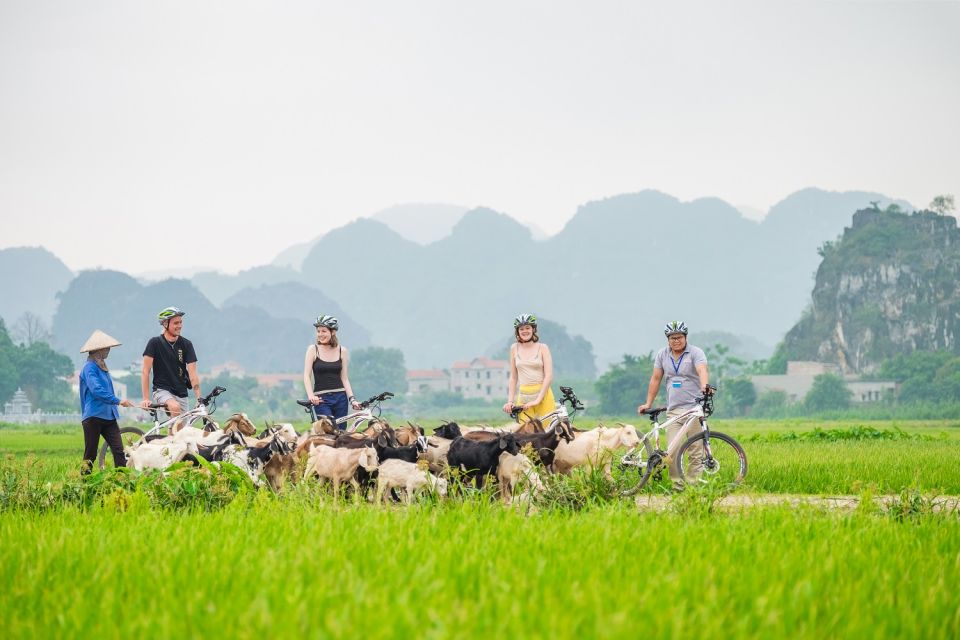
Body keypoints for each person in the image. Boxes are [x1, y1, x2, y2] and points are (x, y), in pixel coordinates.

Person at [637, 321, 710, 488]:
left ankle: (693, 486)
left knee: (695, 451)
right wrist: (648, 403)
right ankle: (677, 486)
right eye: (672, 338)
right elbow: (656, 379)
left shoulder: (695, 353)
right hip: (674, 410)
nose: (676, 341)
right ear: (667, 339)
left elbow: (702, 371)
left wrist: (705, 387)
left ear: (685, 337)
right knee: (672, 451)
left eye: (679, 337)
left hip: (693, 410)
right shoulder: (662, 355)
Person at [79, 330, 135, 473]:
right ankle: (83, 484)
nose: (108, 350)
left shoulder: (102, 366)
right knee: (90, 454)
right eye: (106, 348)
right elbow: (96, 390)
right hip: (94, 417)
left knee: (118, 451)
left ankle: (122, 481)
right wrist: (118, 401)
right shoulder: (89, 368)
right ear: (98, 350)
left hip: (109, 417)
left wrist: (116, 403)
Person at [140, 306, 201, 419]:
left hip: (181, 392)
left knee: (182, 432)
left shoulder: (187, 344)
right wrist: (145, 398)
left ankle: (171, 434)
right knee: (175, 407)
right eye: (176, 323)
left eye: (181, 322)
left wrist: (199, 398)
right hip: (161, 390)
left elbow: (193, 374)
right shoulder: (154, 343)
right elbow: (145, 371)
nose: (180, 326)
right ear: (165, 324)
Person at [303, 315, 361, 428]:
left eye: (324, 331)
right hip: (321, 399)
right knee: (328, 430)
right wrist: (311, 396)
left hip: (341, 398)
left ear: (333, 332)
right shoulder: (313, 350)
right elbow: (306, 375)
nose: (320, 334)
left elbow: (344, 378)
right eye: (318, 331)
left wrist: (352, 399)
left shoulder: (342, 351)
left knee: (341, 434)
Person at [502, 313, 556, 423]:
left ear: (533, 329)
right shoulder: (514, 348)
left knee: (548, 432)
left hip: (543, 394)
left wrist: (537, 400)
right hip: (524, 396)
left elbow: (548, 376)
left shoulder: (543, 348)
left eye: (528, 328)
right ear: (517, 331)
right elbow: (513, 377)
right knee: (525, 436)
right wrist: (510, 401)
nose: (525, 331)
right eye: (521, 329)